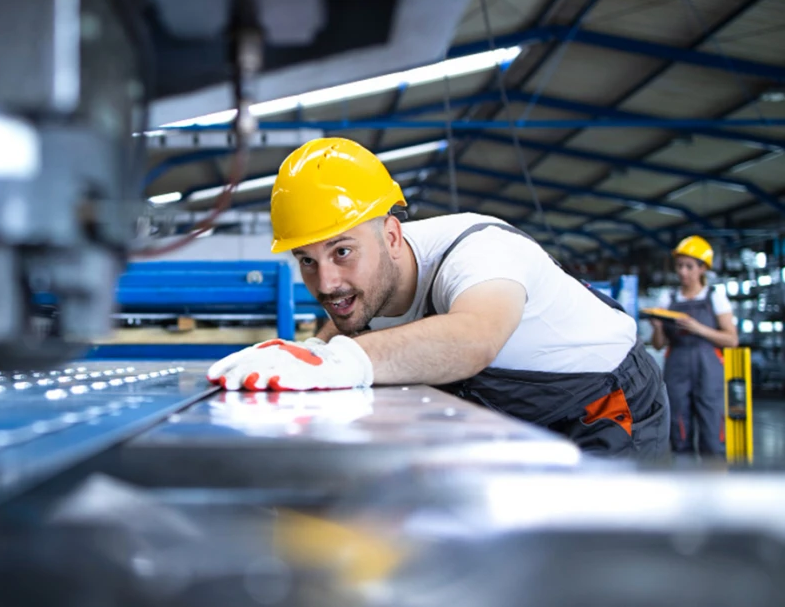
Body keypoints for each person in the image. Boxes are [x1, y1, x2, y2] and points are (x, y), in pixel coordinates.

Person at [207, 137, 670, 459]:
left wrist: (342, 360)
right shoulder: (367, 284)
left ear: (391, 235)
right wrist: (311, 353)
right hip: (517, 416)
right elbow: (346, 319)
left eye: (342, 251)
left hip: (606, 405)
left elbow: (474, 337)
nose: (326, 283)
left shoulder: (479, 250)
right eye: (306, 260)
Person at [649, 236, 738, 457]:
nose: (683, 272)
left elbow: (732, 340)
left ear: (702, 268)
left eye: (689, 266)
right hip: (677, 370)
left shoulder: (715, 298)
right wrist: (658, 327)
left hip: (708, 371)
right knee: (679, 434)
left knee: (711, 436)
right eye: (679, 265)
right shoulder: (667, 298)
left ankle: (715, 487)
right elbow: (658, 345)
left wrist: (697, 328)